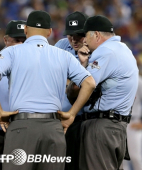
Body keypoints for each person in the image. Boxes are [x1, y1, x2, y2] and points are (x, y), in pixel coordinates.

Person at [0, 10, 96, 170]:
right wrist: (71, 114)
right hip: (53, 128)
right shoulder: (63, 55)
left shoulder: (11, 51)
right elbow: (89, 83)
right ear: (50, 32)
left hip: (21, 127)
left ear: (25, 30)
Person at [69, 15, 139, 170]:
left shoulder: (106, 51)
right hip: (117, 126)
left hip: (101, 127)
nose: (84, 41)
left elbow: (82, 86)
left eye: (86, 35)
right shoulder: (124, 49)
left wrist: (82, 65)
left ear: (97, 35)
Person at [0, 20, 26, 170]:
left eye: (24, 41)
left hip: (25, 131)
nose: (20, 44)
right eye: (16, 40)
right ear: (5, 40)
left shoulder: (37, 63)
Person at [55, 11, 88, 170]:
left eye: (79, 35)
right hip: (57, 118)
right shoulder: (61, 45)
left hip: (80, 120)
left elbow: (83, 85)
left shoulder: (95, 50)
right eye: (70, 35)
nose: (74, 39)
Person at [123, 75, 142, 170]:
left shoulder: (138, 81)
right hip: (120, 122)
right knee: (121, 159)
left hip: (134, 123)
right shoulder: (119, 80)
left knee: (135, 157)